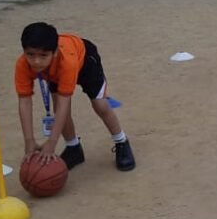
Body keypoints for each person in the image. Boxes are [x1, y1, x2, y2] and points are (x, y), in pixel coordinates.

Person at [14, 22, 136, 172]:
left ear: (55, 52)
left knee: (100, 105)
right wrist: (29, 140)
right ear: (24, 51)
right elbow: (24, 102)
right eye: (30, 54)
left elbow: (64, 103)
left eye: (43, 55)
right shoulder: (22, 65)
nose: (36, 61)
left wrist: (52, 142)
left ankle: (121, 141)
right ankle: (73, 148)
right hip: (54, 73)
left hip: (85, 61)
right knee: (58, 108)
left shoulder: (67, 62)